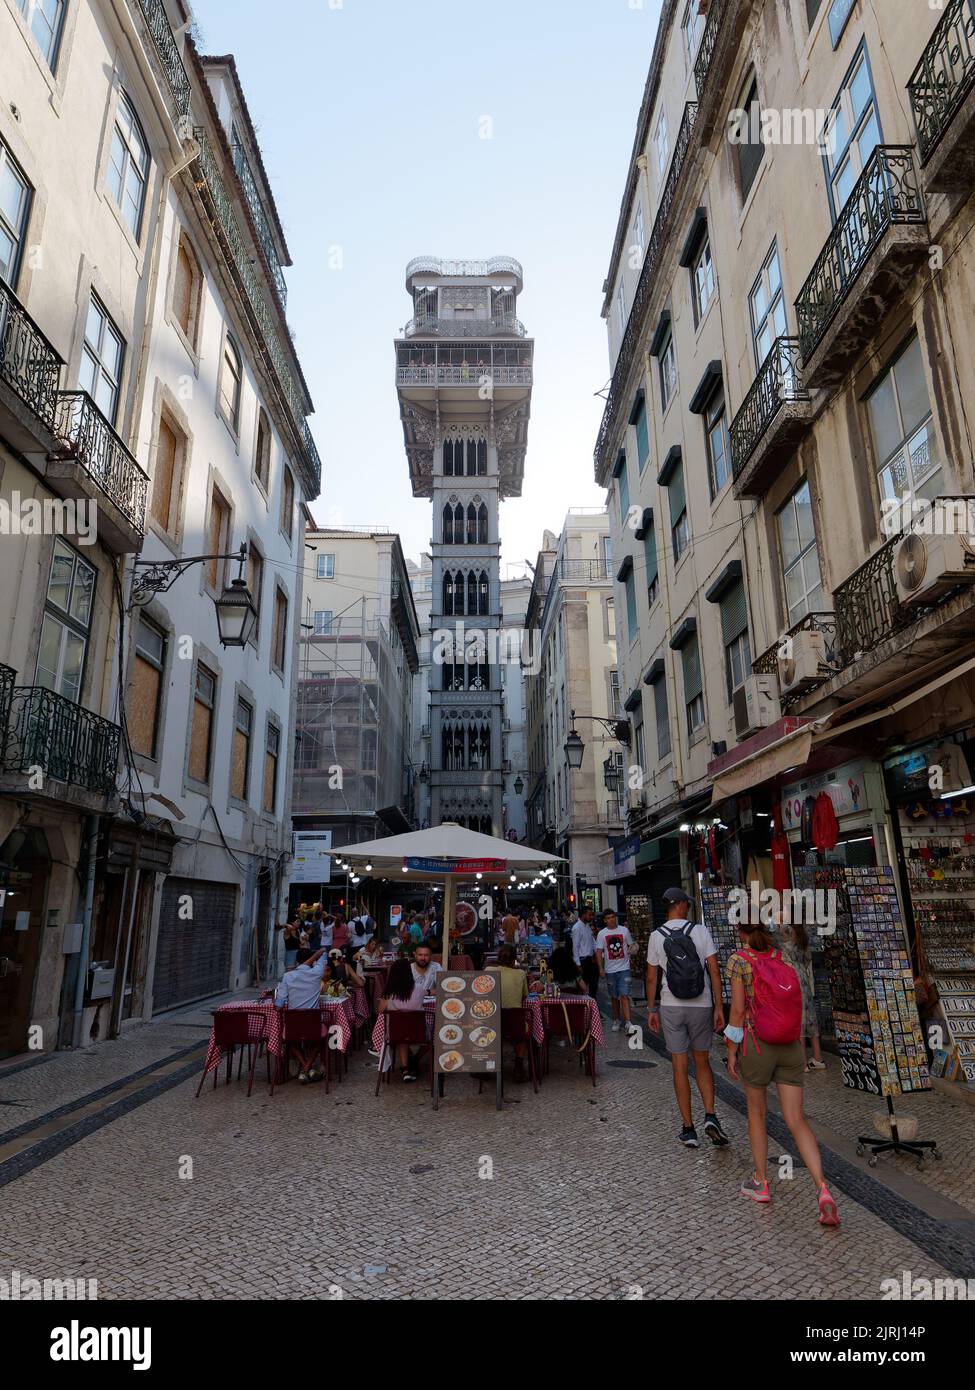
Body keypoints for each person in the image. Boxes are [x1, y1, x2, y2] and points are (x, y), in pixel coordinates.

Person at [725, 918, 840, 1226]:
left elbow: (737, 1011)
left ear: (741, 931)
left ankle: (761, 1182)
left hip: (758, 1044)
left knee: (757, 1113)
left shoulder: (739, 961)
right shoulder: (783, 956)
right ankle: (823, 1189)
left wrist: (731, 1049)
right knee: (796, 1119)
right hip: (790, 1045)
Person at [646, 886, 729, 1149]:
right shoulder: (700, 931)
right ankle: (711, 1115)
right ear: (681, 905)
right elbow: (715, 972)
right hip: (701, 1003)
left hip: (671, 1005)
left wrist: (651, 1009)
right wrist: (718, 1006)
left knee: (679, 1066)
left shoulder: (656, 936)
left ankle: (688, 1128)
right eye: (688, 904)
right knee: (702, 1061)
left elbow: (651, 977)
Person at [776, 919, 825, 1070]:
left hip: (792, 979)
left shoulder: (786, 932)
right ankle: (818, 1058)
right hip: (804, 978)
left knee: (799, 1021)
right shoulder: (803, 935)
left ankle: (802, 1062)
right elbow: (808, 958)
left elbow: (779, 947)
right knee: (810, 1018)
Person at [378, 958, 427, 1082]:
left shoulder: (389, 992)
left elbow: (380, 1010)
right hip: (419, 1033)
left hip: (395, 1034)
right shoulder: (420, 988)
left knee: (402, 1033)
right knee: (432, 1034)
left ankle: (406, 1067)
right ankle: (415, 1059)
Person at [595, 907, 636, 1033]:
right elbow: (599, 952)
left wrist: (634, 948)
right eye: (608, 918)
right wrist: (601, 968)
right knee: (614, 997)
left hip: (624, 968)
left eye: (613, 917)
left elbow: (631, 944)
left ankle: (628, 1022)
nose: (611, 920)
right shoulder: (602, 934)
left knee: (624, 994)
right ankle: (616, 1019)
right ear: (605, 920)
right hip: (610, 970)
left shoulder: (624, 930)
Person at [497, 945, 529, 1081]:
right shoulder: (521, 974)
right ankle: (519, 1065)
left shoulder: (489, 970)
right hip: (515, 1023)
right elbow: (524, 996)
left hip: (493, 1023)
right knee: (522, 1030)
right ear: (514, 960)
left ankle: (485, 1064)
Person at [571, 906, 599, 1000]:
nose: (591, 917)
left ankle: (593, 1008)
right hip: (583, 961)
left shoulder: (587, 926)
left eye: (592, 915)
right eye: (589, 915)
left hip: (590, 960)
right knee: (584, 988)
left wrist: (599, 955)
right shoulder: (577, 928)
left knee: (593, 987)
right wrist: (578, 964)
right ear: (583, 915)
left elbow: (592, 942)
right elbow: (575, 947)